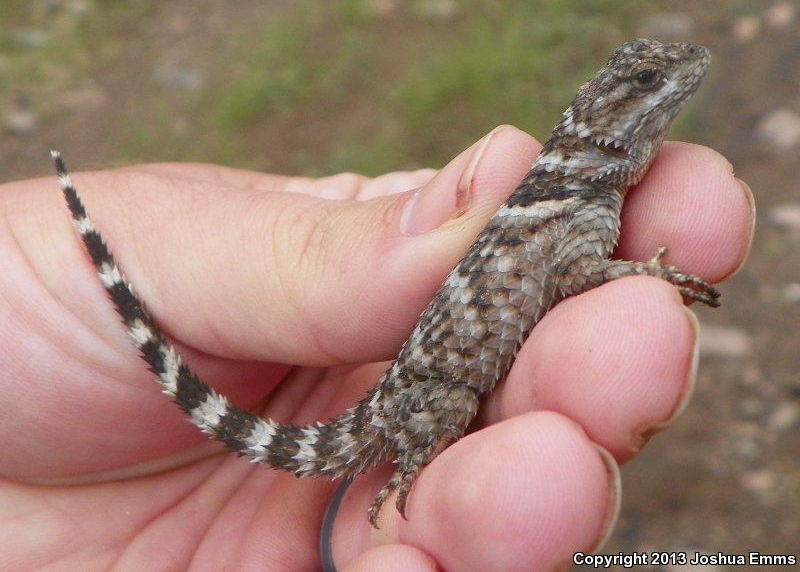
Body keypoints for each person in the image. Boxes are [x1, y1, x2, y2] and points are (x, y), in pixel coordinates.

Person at [0, 126, 753, 571]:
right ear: (615, 126)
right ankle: (418, 455)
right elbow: (586, 269)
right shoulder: (571, 205)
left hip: (405, 385)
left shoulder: (574, 197)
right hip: (421, 394)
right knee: (475, 424)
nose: (674, 83)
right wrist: (646, 269)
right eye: (651, 83)